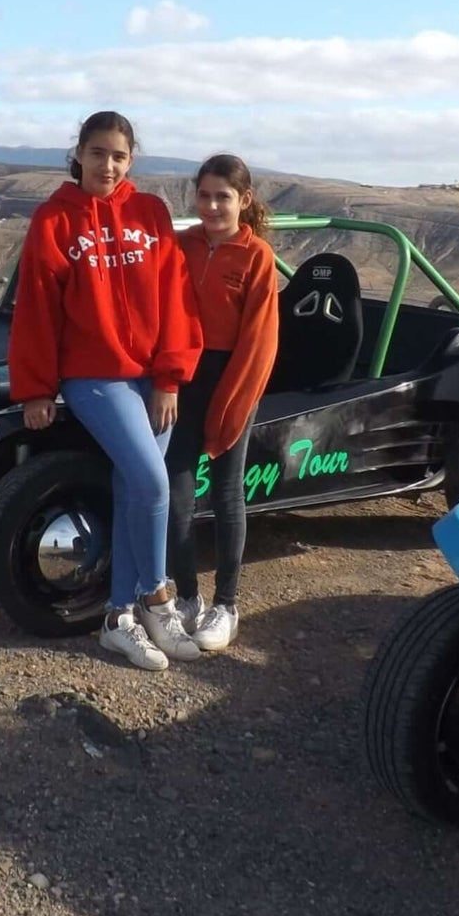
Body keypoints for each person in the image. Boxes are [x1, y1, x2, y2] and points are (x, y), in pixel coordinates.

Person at [8, 110, 204, 670]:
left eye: (119, 156)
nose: (108, 165)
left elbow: (175, 298)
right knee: (152, 482)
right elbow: (38, 311)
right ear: (79, 154)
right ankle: (158, 598)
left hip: (153, 377)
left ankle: (117, 619)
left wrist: (169, 378)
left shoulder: (151, 214)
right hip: (95, 378)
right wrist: (38, 389)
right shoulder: (54, 220)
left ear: (131, 159)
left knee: (132, 491)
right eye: (98, 154)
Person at [166, 154, 280, 650]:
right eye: (205, 195)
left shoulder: (257, 257)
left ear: (244, 201)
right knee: (177, 491)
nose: (212, 206)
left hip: (233, 378)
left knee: (228, 492)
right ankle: (186, 595)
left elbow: (259, 340)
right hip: (181, 377)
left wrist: (233, 400)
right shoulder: (181, 244)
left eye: (223, 196)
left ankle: (226, 604)